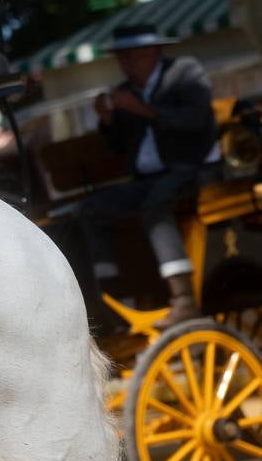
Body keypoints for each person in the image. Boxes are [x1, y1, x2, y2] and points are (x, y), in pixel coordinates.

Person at [83, 23, 218, 327]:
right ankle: (113, 300)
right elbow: (121, 148)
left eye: (132, 57)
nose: (126, 64)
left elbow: (195, 121)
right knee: (91, 209)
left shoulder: (185, 72)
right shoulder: (126, 92)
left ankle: (184, 299)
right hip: (148, 180)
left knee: (155, 205)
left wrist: (144, 110)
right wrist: (107, 122)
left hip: (194, 170)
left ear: (153, 52)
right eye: (122, 58)